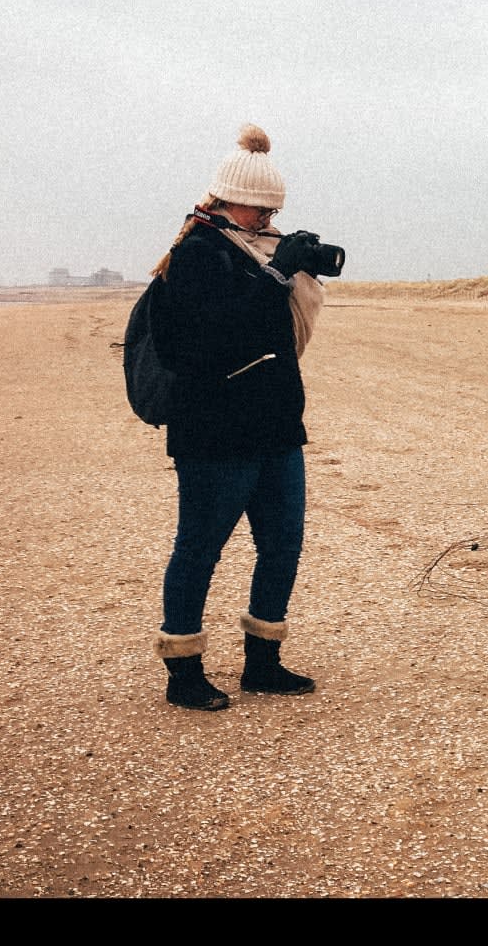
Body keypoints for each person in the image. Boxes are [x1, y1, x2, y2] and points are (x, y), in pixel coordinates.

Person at [149, 124, 328, 711]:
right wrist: (276, 276)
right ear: (228, 198)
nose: (267, 221)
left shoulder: (257, 251)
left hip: (275, 427)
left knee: (283, 545)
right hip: (215, 433)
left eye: (273, 211)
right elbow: (203, 344)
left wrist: (285, 269)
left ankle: (263, 663)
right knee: (200, 547)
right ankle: (183, 671)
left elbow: (274, 337)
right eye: (260, 210)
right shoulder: (197, 253)